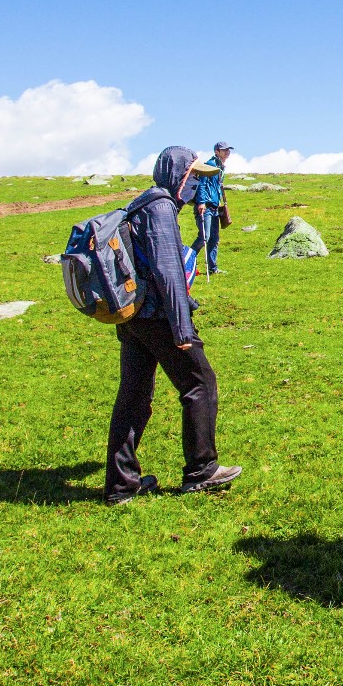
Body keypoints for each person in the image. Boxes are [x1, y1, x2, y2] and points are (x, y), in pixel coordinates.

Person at [104, 145, 242, 503]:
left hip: (134, 317)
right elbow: (168, 271)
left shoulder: (141, 203)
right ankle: (202, 470)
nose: (196, 183)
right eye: (193, 176)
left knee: (133, 398)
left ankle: (121, 485)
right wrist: (183, 330)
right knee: (200, 383)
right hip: (158, 316)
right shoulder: (161, 207)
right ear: (178, 174)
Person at [186, 141, 234, 276]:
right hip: (205, 206)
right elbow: (202, 184)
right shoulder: (209, 165)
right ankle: (186, 263)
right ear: (217, 151)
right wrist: (201, 202)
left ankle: (213, 268)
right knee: (204, 237)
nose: (227, 152)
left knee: (214, 238)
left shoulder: (220, 167)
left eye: (228, 150)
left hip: (214, 207)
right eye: (224, 150)